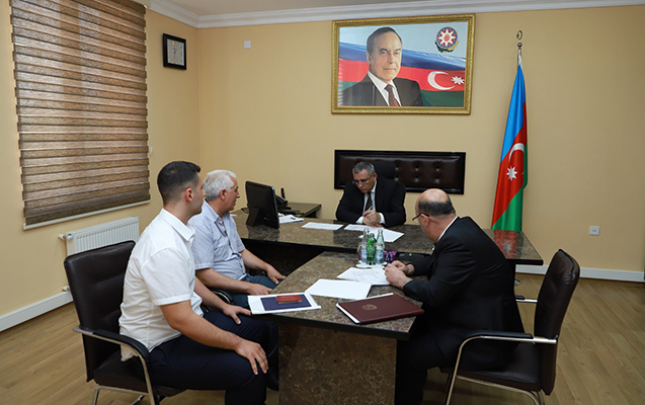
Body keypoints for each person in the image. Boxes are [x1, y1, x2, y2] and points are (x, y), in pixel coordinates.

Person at [119, 161, 277, 405]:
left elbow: (190, 279)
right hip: (156, 350)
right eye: (202, 188)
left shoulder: (176, 230)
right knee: (247, 367)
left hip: (182, 329)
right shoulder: (164, 246)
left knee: (260, 329)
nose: (206, 193)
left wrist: (223, 306)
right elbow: (180, 320)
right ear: (189, 194)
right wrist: (238, 344)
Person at [384, 189, 523, 405]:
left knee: (408, 356)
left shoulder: (457, 243)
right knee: (406, 333)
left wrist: (401, 280)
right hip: (482, 316)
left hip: (479, 338)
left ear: (425, 219)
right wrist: (410, 268)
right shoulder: (462, 228)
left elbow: (433, 295)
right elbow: (437, 260)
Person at [189, 170, 286, 308]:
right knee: (278, 304)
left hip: (244, 280)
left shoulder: (226, 216)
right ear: (223, 194)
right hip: (226, 291)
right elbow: (206, 277)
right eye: (235, 190)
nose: (238, 195)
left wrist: (267, 267)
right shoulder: (200, 223)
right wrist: (250, 288)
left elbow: (241, 251)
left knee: (287, 289)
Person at [340, 27, 423, 107]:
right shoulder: (349, 97)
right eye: (383, 52)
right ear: (369, 57)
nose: (391, 60)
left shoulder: (411, 88)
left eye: (396, 53)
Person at [335, 161, 406, 227]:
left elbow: (400, 216)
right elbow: (340, 212)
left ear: (374, 176)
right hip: (358, 230)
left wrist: (379, 217)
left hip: (382, 230)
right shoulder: (351, 187)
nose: (360, 185)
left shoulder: (394, 188)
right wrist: (362, 220)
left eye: (363, 181)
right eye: (356, 181)